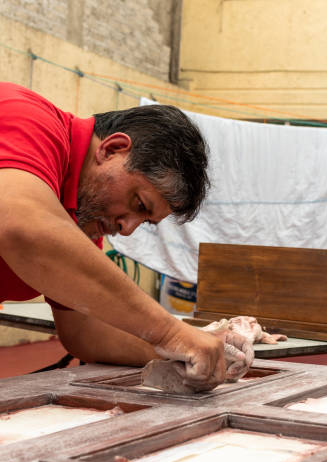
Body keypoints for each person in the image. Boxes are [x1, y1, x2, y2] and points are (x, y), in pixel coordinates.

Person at [0, 82, 252, 390]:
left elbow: (85, 331)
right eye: (139, 204)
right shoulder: (26, 117)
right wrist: (169, 332)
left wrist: (189, 347)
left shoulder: (79, 218)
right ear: (113, 149)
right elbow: (22, 228)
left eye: (144, 221)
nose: (127, 228)